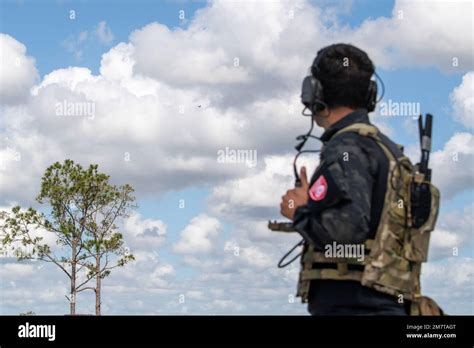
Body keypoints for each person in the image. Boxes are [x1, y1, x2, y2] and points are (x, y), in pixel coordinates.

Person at [279, 43, 409, 315]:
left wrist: (299, 210)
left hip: (353, 306)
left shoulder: (346, 147)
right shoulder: (388, 150)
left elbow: (347, 233)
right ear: (370, 94)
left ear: (314, 93)